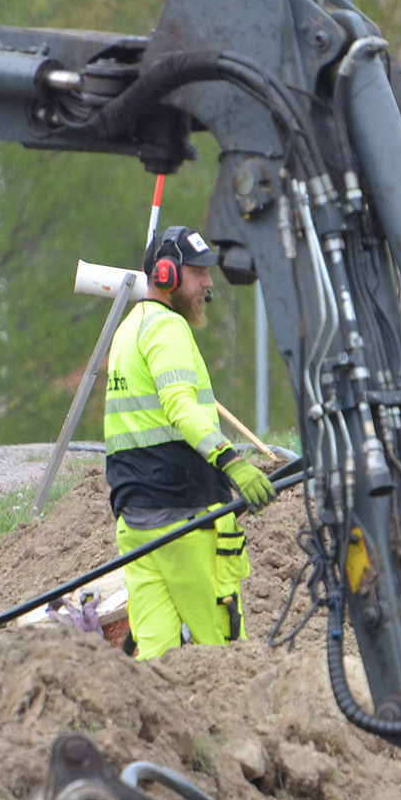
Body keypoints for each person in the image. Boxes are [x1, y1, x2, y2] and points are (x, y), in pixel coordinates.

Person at [104, 225, 276, 657]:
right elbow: (180, 406)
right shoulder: (168, 330)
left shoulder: (127, 331)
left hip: (137, 526)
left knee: (155, 656)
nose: (208, 283)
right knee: (223, 654)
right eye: (198, 273)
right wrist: (232, 461)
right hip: (187, 520)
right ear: (165, 274)